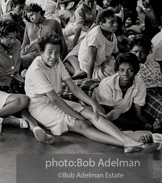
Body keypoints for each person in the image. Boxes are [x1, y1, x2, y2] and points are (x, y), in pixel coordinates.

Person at [24, 33, 159, 153]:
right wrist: (77, 115)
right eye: (50, 52)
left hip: (57, 99)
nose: (54, 57)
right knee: (82, 124)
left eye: (57, 52)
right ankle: (128, 143)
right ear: (41, 52)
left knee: (95, 113)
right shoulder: (37, 69)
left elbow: (74, 88)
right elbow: (54, 100)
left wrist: (93, 103)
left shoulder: (57, 62)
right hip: (40, 106)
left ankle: (128, 141)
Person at [93, 53, 149, 130]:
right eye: (122, 70)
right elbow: (108, 115)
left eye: (130, 70)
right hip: (106, 112)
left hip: (122, 113)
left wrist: (148, 123)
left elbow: (138, 113)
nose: (125, 74)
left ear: (136, 71)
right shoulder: (107, 85)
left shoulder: (139, 84)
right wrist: (140, 124)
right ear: (117, 71)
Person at [129, 35, 162, 132]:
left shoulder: (154, 64)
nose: (138, 55)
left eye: (142, 52)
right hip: (146, 94)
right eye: (135, 52)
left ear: (148, 52)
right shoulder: (128, 66)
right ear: (130, 51)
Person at [63, 0, 98, 78]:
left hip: (87, 29)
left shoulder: (94, 5)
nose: (90, 4)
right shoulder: (80, 10)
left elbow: (93, 20)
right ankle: (78, 71)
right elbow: (79, 28)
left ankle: (79, 71)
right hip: (76, 28)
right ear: (83, 1)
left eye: (92, 1)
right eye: (88, 2)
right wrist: (73, 44)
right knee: (73, 51)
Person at [21, 3, 67, 69]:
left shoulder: (53, 23)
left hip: (45, 54)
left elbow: (62, 42)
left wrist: (61, 59)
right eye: (29, 18)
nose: (31, 18)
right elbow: (24, 44)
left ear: (39, 12)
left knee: (22, 61)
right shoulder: (29, 25)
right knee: (17, 60)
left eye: (32, 15)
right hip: (31, 52)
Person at [78, 9, 119, 80]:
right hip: (91, 66)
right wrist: (89, 79)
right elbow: (91, 59)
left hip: (103, 61)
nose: (115, 24)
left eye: (115, 21)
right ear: (101, 24)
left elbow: (116, 53)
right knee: (114, 77)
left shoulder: (112, 35)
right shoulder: (96, 35)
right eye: (111, 22)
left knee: (120, 69)